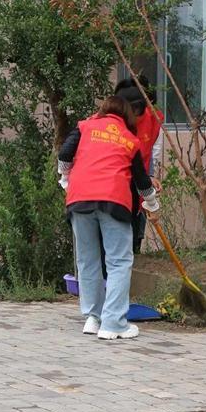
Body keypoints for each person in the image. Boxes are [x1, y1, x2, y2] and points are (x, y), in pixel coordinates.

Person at [58, 96, 160, 340]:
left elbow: (64, 154)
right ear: (127, 116)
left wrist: (65, 178)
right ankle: (113, 323)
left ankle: (93, 318)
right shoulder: (129, 139)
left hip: (79, 199)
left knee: (87, 261)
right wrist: (152, 204)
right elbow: (142, 181)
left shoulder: (85, 127)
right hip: (113, 201)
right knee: (119, 262)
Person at [114, 75, 164, 253]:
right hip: (118, 179)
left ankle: (134, 246)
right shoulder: (116, 120)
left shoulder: (153, 119)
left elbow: (151, 151)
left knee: (136, 216)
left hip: (139, 176)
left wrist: (150, 176)